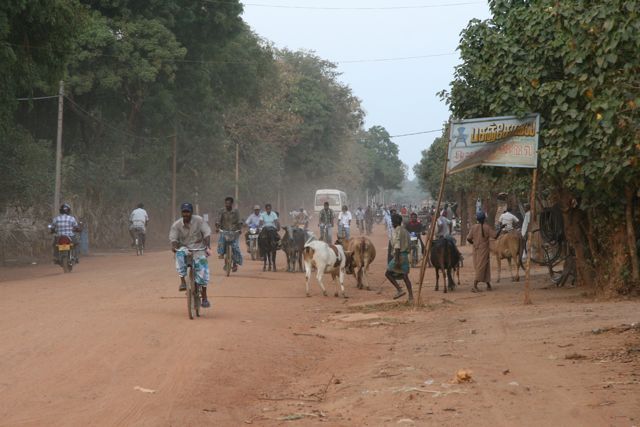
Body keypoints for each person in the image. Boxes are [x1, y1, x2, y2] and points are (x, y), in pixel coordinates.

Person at [170, 202, 212, 307]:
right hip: (184, 247)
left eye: (187, 212)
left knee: (203, 268)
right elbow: (173, 238)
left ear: (191, 212)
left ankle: (205, 297)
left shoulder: (199, 220)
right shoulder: (177, 225)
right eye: (184, 212)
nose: (185, 214)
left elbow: (206, 233)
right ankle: (183, 281)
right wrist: (174, 247)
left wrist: (207, 245)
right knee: (179, 255)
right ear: (181, 213)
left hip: (199, 248)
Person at [385, 214, 414, 302]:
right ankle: (411, 296)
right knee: (405, 277)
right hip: (405, 256)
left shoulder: (396, 231)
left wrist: (396, 259)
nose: (392, 223)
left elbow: (397, 245)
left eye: (392, 221)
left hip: (399, 255)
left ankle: (399, 290)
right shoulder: (406, 231)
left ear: (395, 222)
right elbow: (410, 244)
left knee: (388, 273)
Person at [466, 211, 497, 292]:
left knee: (484, 267)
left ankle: (488, 285)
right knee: (481, 267)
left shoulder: (473, 227)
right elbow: (495, 236)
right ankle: (475, 286)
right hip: (484, 250)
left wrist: (473, 243)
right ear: (484, 219)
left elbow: (468, 238)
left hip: (476, 249)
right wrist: (501, 228)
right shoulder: (487, 227)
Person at [215, 196, 243, 272]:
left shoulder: (236, 211)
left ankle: (235, 263)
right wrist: (217, 227)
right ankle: (221, 253)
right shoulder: (222, 211)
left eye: (229, 203)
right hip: (225, 231)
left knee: (235, 247)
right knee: (222, 242)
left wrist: (240, 229)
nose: (227, 205)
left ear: (231, 204)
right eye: (226, 203)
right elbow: (218, 220)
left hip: (234, 231)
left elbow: (239, 221)